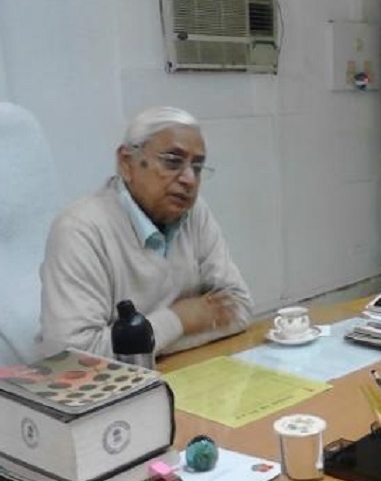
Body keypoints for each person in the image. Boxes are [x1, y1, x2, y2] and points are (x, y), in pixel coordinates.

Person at [37, 106, 252, 358]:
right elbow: (73, 358)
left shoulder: (195, 214)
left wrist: (149, 342)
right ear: (126, 163)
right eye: (173, 161)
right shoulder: (80, 229)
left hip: (179, 370)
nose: (189, 179)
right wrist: (179, 320)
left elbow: (239, 308)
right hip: (111, 384)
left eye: (197, 167)